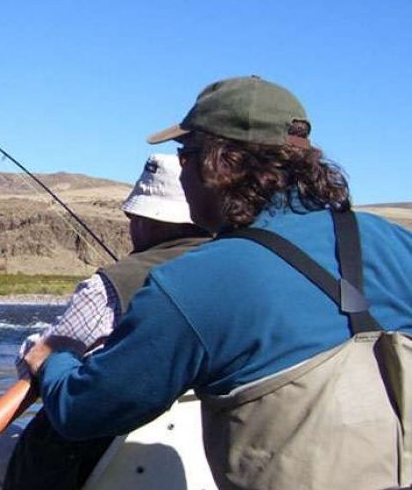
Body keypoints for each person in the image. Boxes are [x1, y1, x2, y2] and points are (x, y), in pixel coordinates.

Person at [24, 75, 412, 490]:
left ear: (220, 164)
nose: (183, 172)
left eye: (186, 156)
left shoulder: (191, 283)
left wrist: (54, 361)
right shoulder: (397, 242)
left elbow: (84, 411)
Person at [0, 153, 211, 490]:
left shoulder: (109, 287)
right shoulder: (233, 274)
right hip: (192, 466)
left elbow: (37, 361)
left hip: (85, 470)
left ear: (146, 220)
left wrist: (35, 348)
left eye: (133, 217)